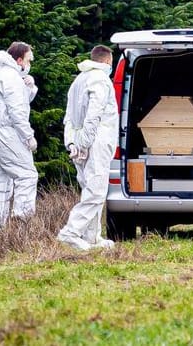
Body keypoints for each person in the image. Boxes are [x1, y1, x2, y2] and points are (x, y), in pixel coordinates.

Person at [57, 45, 119, 250]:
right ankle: (71, 232)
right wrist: (84, 142)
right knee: (96, 190)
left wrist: (73, 143)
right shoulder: (101, 80)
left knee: (89, 187)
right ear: (108, 62)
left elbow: (69, 117)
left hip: (80, 140)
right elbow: (94, 114)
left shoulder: (79, 80)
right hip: (96, 140)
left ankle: (93, 237)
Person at [0, 42, 38, 229]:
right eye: (28, 60)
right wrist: (28, 137)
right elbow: (17, 111)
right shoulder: (11, 77)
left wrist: (29, 87)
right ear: (19, 60)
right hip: (5, 133)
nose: (29, 64)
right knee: (27, 175)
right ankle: (22, 224)